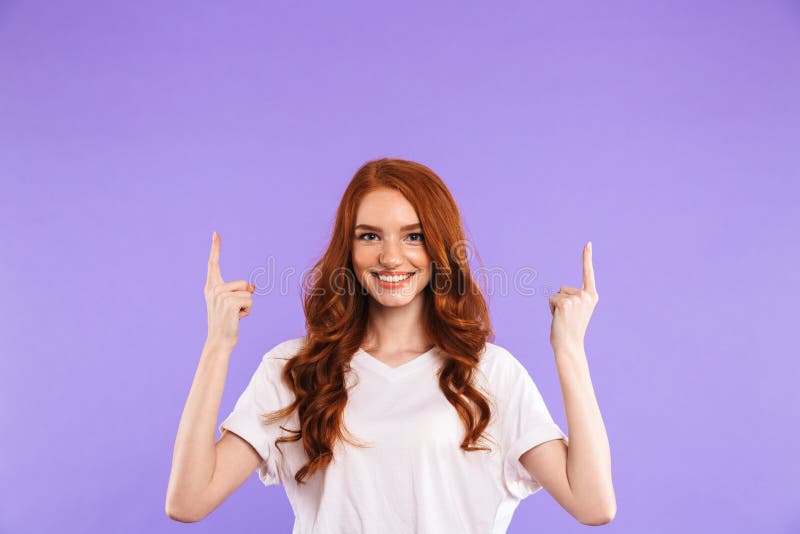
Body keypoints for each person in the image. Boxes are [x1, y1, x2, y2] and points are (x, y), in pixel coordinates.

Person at [165, 158, 616, 532]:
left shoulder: (490, 374)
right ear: (349, 248)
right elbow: (188, 501)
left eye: (413, 235)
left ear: (440, 247)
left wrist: (569, 349)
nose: (391, 256)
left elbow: (593, 505)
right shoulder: (295, 369)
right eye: (370, 236)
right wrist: (217, 346)